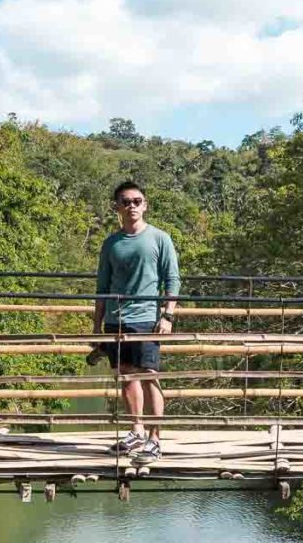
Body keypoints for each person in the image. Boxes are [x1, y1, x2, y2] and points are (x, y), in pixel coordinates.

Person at [87, 181, 180, 464]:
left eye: (137, 201)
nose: (132, 206)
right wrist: (96, 327)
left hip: (147, 319)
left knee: (149, 374)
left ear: (145, 204)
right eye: (126, 202)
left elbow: (172, 279)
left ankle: (155, 438)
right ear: (117, 207)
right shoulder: (111, 244)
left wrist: (168, 314)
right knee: (126, 376)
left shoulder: (159, 238)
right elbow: (102, 287)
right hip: (116, 320)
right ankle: (136, 430)